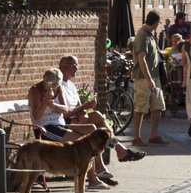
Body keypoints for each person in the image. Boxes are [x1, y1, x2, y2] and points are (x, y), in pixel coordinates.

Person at [57, 54, 141, 183]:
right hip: (66, 122)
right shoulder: (58, 86)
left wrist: (84, 112)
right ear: (63, 66)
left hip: (77, 118)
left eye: (77, 65)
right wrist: (84, 108)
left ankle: (118, 149)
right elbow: (64, 114)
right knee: (93, 130)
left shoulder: (71, 85)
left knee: (97, 115)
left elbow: (79, 106)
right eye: (74, 65)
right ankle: (103, 165)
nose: (77, 68)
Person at [132, 10, 168, 145]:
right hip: (143, 78)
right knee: (141, 107)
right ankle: (136, 137)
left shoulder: (150, 35)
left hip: (155, 76)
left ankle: (154, 135)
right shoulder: (142, 35)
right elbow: (141, 58)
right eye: (158, 22)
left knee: (157, 106)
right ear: (156, 22)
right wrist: (148, 79)